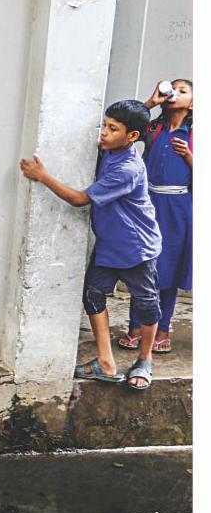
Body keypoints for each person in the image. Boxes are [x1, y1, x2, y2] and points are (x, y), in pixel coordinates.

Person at [19, 100, 162, 390]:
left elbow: (79, 199)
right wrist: (148, 104)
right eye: (104, 125)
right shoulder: (111, 149)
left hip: (136, 247)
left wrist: (42, 176)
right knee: (93, 295)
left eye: (113, 128)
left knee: (146, 305)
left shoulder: (128, 168)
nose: (104, 133)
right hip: (110, 244)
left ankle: (145, 360)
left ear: (132, 136)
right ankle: (106, 363)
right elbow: (134, 119)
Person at [119, 79, 193, 354]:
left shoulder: (195, 134)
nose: (174, 93)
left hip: (178, 209)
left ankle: (162, 330)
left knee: (168, 269)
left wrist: (189, 156)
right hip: (147, 203)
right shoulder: (153, 128)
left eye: (183, 91)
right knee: (142, 265)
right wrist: (151, 102)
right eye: (172, 88)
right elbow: (125, 124)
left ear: (193, 104)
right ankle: (135, 327)